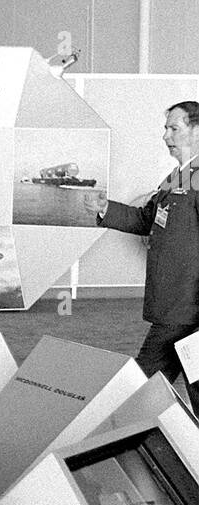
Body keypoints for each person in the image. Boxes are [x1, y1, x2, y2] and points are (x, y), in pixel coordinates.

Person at [85, 100, 199, 412]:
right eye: (165, 128)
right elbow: (146, 220)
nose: (166, 136)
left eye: (174, 128)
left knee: (144, 384)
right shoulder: (176, 178)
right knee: (148, 385)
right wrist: (105, 209)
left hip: (189, 310)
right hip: (173, 307)